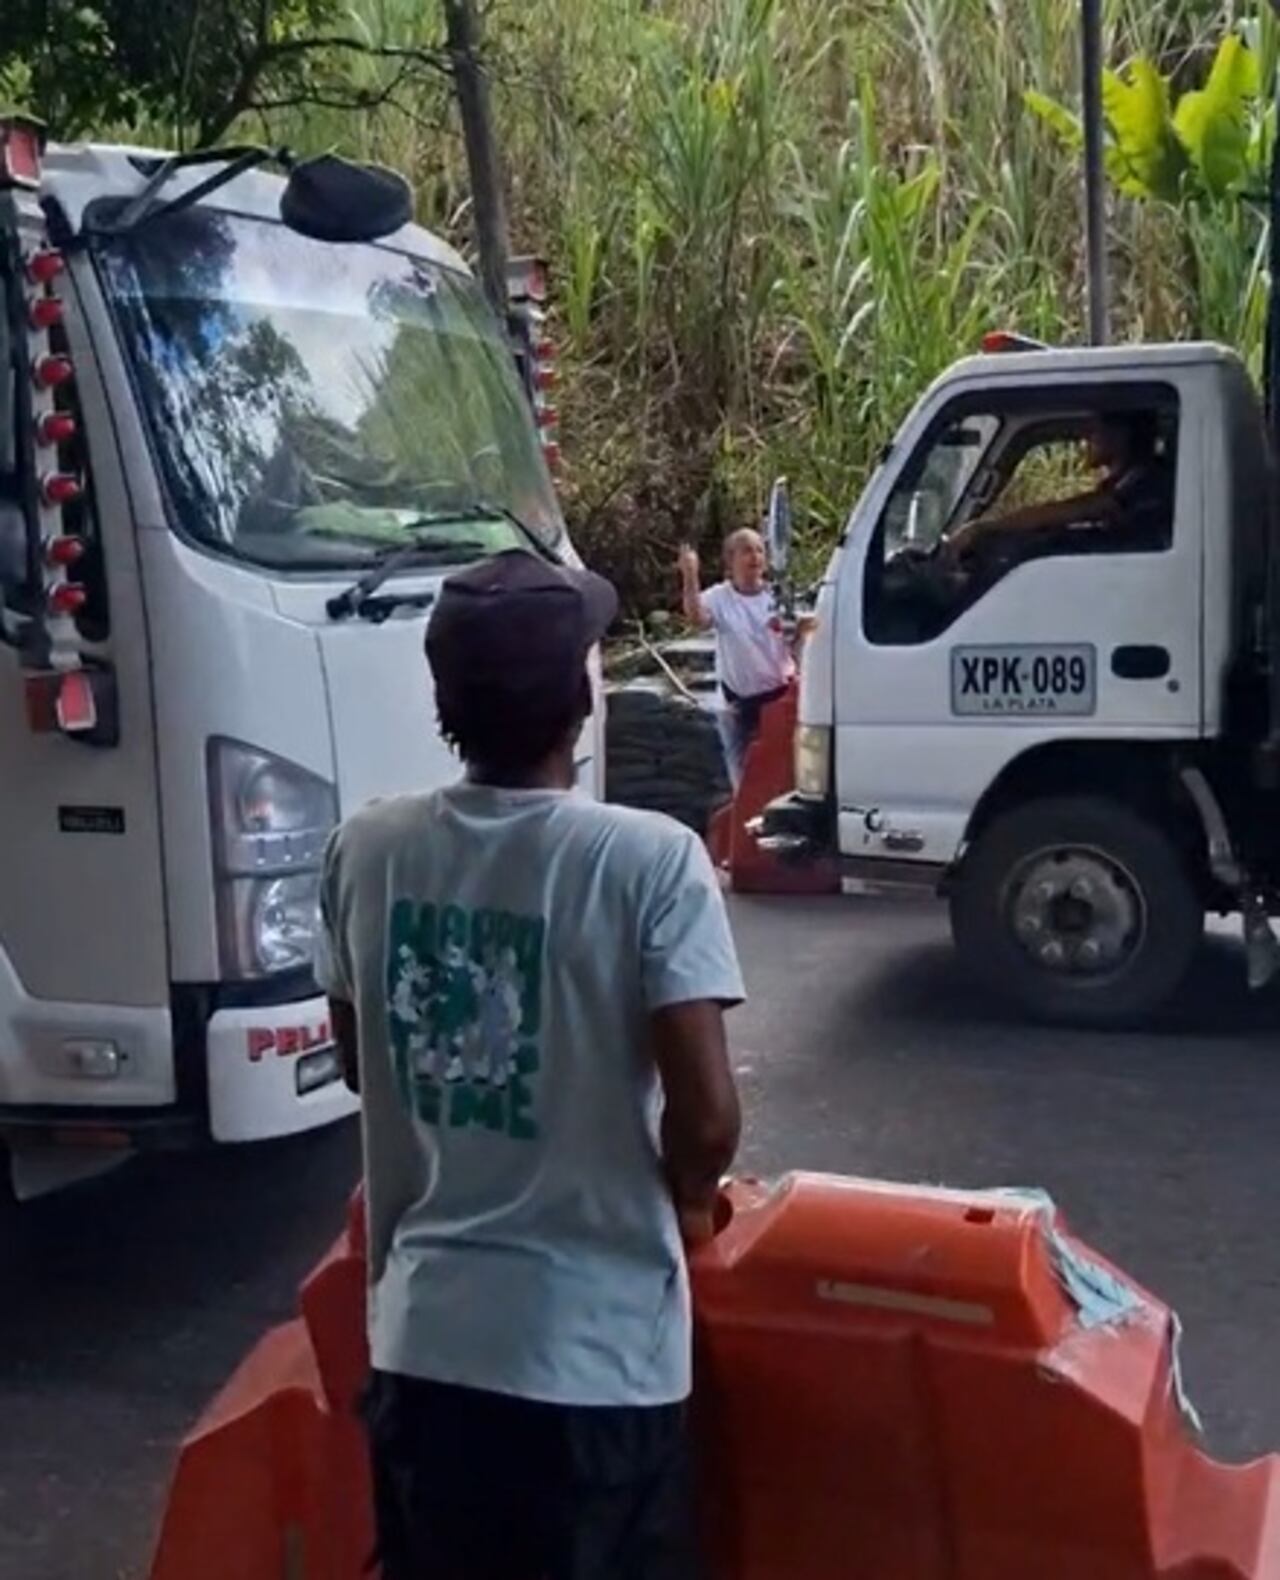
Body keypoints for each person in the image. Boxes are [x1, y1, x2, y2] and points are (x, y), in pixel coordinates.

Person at [315, 548, 744, 1580]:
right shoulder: (647, 859)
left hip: (423, 1351)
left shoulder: (366, 848)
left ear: (443, 698)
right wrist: (689, 1192)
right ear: (580, 700)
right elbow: (708, 1114)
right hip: (596, 1368)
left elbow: (364, 1064)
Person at [943, 411, 1172, 567]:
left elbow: (1076, 510)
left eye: (1095, 429)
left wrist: (985, 528)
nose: (1086, 438)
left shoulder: (1144, 483)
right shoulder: (1125, 481)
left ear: (1122, 434)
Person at [679, 528, 798, 790]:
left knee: (784, 779)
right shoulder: (720, 597)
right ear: (730, 560)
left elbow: (800, 638)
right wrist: (690, 575)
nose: (754, 557)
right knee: (744, 784)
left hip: (779, 700)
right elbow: (697, 618)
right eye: (746, 550)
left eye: (759, 550)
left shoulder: (778, 596)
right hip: (738, 706)